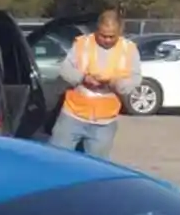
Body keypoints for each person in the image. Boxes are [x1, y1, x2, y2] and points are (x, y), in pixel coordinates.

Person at [50, 10, 141, 159]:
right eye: (102, 35)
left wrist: (115, 84)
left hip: (104, 122)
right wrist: (83, 78)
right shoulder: (82, 44)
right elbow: (65, 69)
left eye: (111, 36)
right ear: (97, 30)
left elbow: (135, 79)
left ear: (120, 31)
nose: (106, 39)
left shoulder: (129, 49)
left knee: (97, 167)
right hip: (73, 116)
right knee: (56, 160)